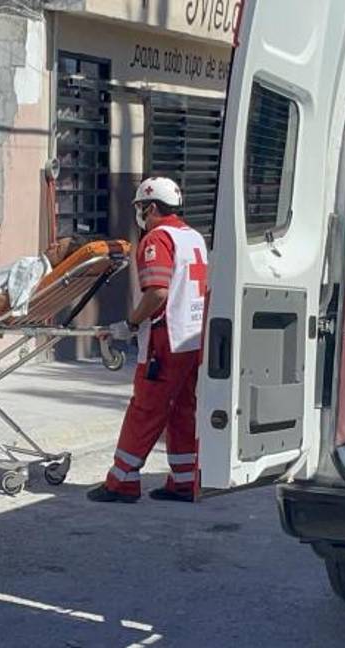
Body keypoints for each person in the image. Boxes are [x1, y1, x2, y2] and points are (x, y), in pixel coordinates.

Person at [88, 177, 209, 504]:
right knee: (183, 409)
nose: (139, 214)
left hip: (166, 340)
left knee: (145, 409)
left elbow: (157, 291)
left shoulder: (158, 238)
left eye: (141, 208)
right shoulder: (193, 237)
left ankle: (121, 482)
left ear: (152, 207)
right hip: (194, 337)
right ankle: (184, 481)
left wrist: (129, 324)